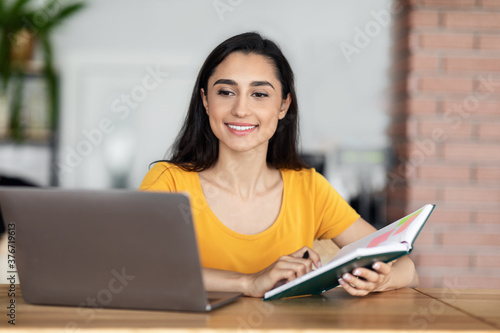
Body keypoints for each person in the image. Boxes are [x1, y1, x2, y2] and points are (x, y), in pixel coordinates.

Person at [139, 32, 418, 297]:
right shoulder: (169, 182)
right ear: (205, 101)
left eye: (259, 94)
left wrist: (383, 279)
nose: (241, 109)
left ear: (283, 106)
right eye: (226, 92)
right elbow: (137, 270)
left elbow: (406, 267)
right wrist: (249, 282)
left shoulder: (309, 189)